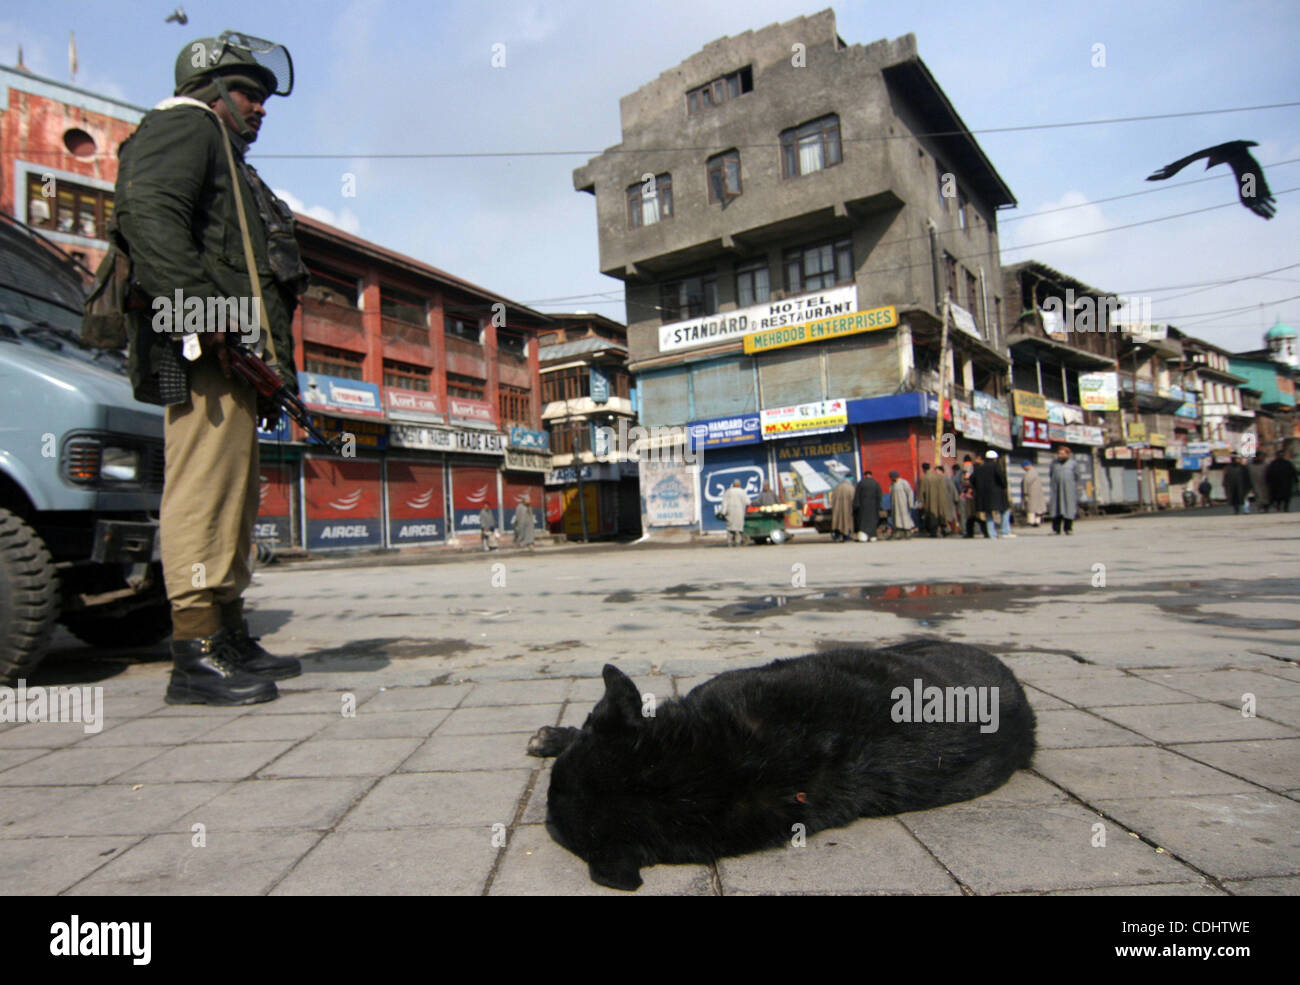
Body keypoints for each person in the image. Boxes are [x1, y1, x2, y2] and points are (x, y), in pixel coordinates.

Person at [115, 32, 304, 705]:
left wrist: (267, 361)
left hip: (230, 351)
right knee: (203, 490)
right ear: (211, 89)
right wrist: (201, 310)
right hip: (199, 347)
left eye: (262, 95)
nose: (260, 107)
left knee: (232, 495)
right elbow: (145, 213)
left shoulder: (223, 152)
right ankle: (194, 652)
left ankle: (226, 632)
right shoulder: (183, 126)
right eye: (248, 93)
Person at [972, 451, 1007, 539]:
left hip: (984, 496)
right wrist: (1004, 486)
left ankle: (991, 533)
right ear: (995, 459)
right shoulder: (996, 466)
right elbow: (1001, 477)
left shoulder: (979, 468)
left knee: (988, 514)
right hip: (997, 493)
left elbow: (972, 479)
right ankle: (1005, 531)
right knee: (1005, 510)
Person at [1048, 445, 1080, 535]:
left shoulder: (1073, 464)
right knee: (1056, 509)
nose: (1060, 455)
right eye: (1059, 453)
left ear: (1068, 454)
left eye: (1062, 453)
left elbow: (1077, 476)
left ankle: (1068, 528)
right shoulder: (1054, 463)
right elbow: (1051, 475)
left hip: (1068, 490)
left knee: (1068, 509)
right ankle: (1056, 529)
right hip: (1056, 490)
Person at [918, 462, 954, 537]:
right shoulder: (938, 476)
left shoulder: (924, 478)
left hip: (930, 501)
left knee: (932, 516)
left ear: (923, 469)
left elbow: (922, 491)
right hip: (941, 500)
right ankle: (944, 529)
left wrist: (920, 501)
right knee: (941, 514)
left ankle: (933, 532)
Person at [853, 470, 883, 541]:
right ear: (871, 475)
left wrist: (856, 506)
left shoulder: (861, 483)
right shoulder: (876, 483)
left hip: (863, 507)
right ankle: (873, 537)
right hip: (873, 507)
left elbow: (857, 496)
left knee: (863, 522)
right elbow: (879, 496)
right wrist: (878, 506)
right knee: (872, 522)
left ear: (864, 475)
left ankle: (863, 537)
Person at [721, 479, 751, 547]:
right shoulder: (742, 492)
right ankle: (738, 542)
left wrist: (723, 512)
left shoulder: (728, 491)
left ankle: (729, 543)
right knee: (738, 529)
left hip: (730, 513)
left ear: (733, 485)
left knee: (730, 529)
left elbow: (724, 503)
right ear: (739, 485)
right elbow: (748, 502)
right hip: (739, 513)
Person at [888, 470, 916, 539]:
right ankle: (899, 531)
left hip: (903, 504)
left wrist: (910, 503)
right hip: (896, 505)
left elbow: (910, 493)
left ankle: (907, 531)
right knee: (897, 518)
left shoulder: (903, 483)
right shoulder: (892, 484)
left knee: (905, 517)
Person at [830, 477, 855, 542]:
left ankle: (837, 536)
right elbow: (854, 500)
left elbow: (832, 499)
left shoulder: (837, 488)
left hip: (837, 509)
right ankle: (846, 536)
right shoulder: (851, 488)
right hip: (847, 509)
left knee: (838, 522)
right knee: (846, 523)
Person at [1021, 460, 1045, 527]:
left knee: (1031, 508)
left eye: (1023, 467)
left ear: (1027, 466)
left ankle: (1031, 522)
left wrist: (1025, 493)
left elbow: (1026, 483)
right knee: (1037, 508)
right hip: (1037, 493)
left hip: (1031, 493)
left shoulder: (1030, 473)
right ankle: (1037, 521)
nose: (1023, 469)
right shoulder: (1035, 472)